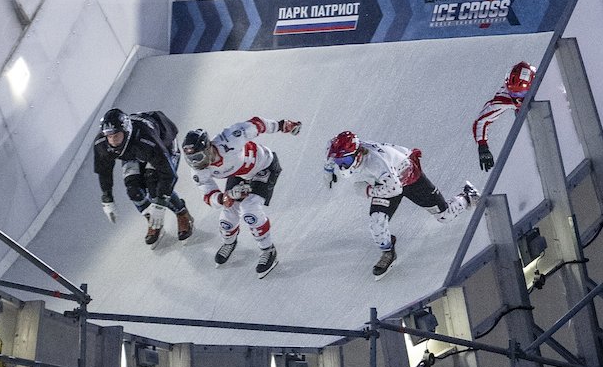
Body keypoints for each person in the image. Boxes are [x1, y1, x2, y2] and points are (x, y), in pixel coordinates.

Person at [324, 132, 478, 278]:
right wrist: (328, 169)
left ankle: (467, 196)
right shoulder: (339, 148)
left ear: (357, 155)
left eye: (344, 162)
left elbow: (394, 189)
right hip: (389, 178)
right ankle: (388, 251)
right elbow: (330, 151)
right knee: (377, 222)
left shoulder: (376, 163)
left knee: (445, 216)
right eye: (339, 162)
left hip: (410, 179)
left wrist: (368, 190)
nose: (341, 165)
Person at [182, 117, 301, 273]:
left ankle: (268, 250)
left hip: (264, 167)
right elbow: (207, 193)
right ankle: (229, 242)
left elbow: (257, 125)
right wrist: (223, 198)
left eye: (197, 157)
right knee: (227, 217)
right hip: (239, 173)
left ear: (207, 148)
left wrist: (281, 125)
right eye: (190, 159)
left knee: (249, 210)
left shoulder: (230, 138)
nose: (195, 163)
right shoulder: (198, 169)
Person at [94, 108, 194, 249]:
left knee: (154, 184)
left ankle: (182, 213)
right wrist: (107, 197)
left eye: (116, 135)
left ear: (126, 131)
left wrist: (160, 204)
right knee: (133, 189)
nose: (113, 141)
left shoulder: (146, 139)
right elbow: (103, 171)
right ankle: (153, 221)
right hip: (134, 152)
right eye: (109, 136)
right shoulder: (101, 143)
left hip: (162, 143)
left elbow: (168, 174)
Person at [472, 61, 535, 173]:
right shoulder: (505, 96)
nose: (517, 98)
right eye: (513, 94)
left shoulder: (544, 82)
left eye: (521, 94)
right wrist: (482, 146)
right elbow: (482, 120)